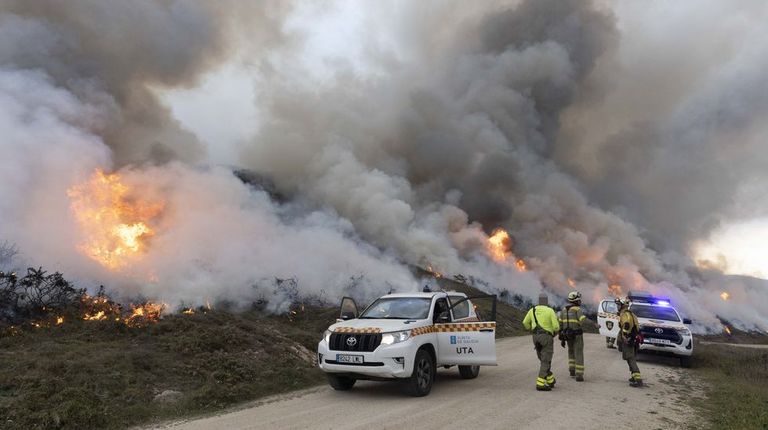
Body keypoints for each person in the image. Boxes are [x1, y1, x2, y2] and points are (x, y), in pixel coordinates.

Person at [523, 292, 560, 391]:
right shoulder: (550, 311)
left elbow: (525, 323)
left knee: (542, 358)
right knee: (546, 360)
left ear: (539, 301)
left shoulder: (532, 310)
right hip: (546, 337)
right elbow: (556, 326)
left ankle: (550, 380)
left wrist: (531, 329)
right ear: (546, 301)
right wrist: (555, 333)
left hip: (535, 337)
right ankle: (540, 383)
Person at [559, 291, 586, 381]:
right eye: (579, 300)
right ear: (576, 300)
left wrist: (562, 338)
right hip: (577, 335)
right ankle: (579, 375)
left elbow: (560, 325)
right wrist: (594, 324)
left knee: (570, 352)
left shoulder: (563, 310)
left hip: (567, 336)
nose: (580, 301)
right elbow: (583, 321)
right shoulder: (577, 310)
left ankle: (572, 370)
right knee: (578, 353)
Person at [616, 298, 643, 387]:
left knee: (630, 358)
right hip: (634, 338)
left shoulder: (625, 314)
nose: (617, 306)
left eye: (619, 305)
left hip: (628, 339)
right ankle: (633, 376)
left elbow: (626, 324)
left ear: (623, 305)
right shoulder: (632, 314)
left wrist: (624, 335)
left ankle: (638, 379)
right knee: (630, 357)